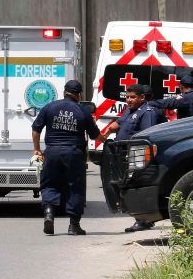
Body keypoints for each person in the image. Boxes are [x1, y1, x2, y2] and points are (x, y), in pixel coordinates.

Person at [32, 80, 117, 235]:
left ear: (65, 92)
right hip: (74, 154)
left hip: (52, 152)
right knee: (75, 188)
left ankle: (49, 214)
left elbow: (36, 129)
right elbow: (95, 136)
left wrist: (37, 149)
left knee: (50, 183)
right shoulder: (82, 111)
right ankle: (74, 226)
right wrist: (107, 137)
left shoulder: (49, 107)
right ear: (79, 94)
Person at [113, 84, 164, 233]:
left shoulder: (147, 112)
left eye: (133, 97)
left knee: (138, 186)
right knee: (130, 186)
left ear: (142, 97)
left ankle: (142, 220)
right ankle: (142, 219)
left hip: (138, 154)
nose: (129, 100)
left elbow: (146, 135)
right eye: (127, 97)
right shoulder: (130, 111)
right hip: (126, 154)